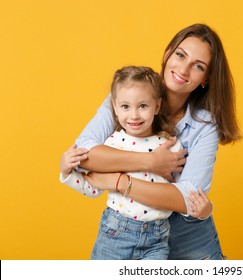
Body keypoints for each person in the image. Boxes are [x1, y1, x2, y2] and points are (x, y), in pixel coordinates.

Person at [72, 23, 242, 260]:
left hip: (189, 240)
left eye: (198, 66)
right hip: (127, 235)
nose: (184, 69)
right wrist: (150, 162)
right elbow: (83, 155)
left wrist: (119, 181)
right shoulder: (128, 94)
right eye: (180, 55)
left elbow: (187, 199)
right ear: (167, 52)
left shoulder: (205, 126)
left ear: (206, 79)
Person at [60, 66, 211, 259]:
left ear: (157, 106)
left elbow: (181, 191)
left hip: (158, 239)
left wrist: (204, 209)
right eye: (125, 107)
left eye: (142, 106)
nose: (134, 115)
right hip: (116, 233)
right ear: (114, 107)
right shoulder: (111, 146)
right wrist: (66, 172)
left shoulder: (170, 145)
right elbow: (92, 187)